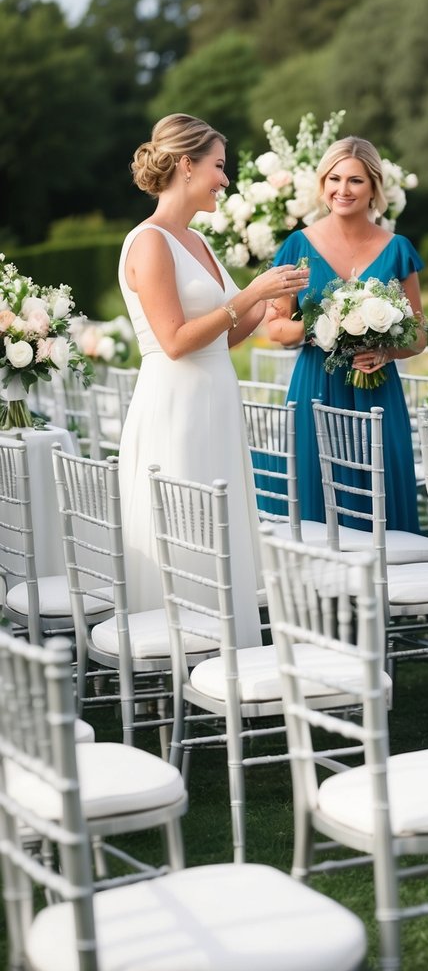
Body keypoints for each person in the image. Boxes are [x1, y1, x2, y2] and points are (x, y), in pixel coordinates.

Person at [118, 113, 307, 647]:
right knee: (185, 531)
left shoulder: (196, 239)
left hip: (216, 403)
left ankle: (231, 657)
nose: (226, 179)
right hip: (175, 409)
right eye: (219, 167)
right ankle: (181, 657)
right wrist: (248, 295)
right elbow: (176, 340)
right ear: (186, 165)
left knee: (220, 530)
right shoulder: (150, 242)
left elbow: (222, 336)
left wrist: (271, 293)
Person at [265, 136, 426, 532]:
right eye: (334, 179)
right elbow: (276, 327)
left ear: (373, 187)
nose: (343, 189)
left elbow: (419, 335)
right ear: (322, 185)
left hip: (377, 390)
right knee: (317, 496)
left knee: (381, 498)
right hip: (315, 387)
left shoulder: (398, 248)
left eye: (355, 180)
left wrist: (388, 352)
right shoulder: (297, 245)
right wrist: (320, 325)